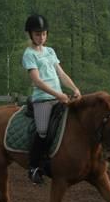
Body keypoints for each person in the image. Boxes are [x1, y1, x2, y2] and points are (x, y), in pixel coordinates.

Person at [22, 14, 81, 184]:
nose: (41, 37)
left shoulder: (50, 52)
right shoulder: (29, 54)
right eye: (37, 34)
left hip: (59, 97)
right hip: (42, 100)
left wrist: (74, 88)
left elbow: (61, 74)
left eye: (44, 34)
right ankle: (33, 167)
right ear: (30, 35)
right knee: (42, 131)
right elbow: (37, 81)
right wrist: (58, 95)